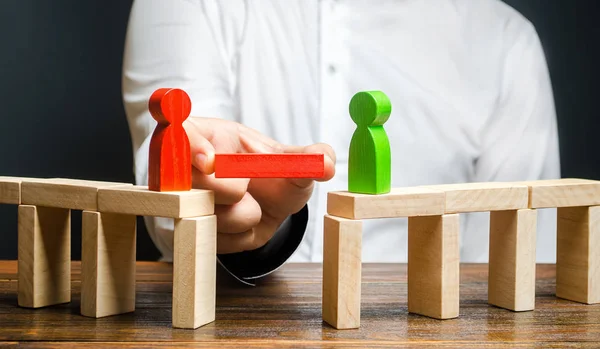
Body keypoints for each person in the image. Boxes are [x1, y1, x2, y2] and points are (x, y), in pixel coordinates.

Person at [122, 0, 560, 283]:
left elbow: (517, 265)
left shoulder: (504, 41)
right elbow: (166, 191)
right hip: (221, 313)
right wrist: (212, 190)